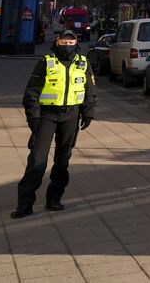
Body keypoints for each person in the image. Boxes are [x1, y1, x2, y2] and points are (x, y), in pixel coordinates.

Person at [12, 29, 96, 218]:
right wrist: (33, 117)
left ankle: (54, 199)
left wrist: (88, 111)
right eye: (64, 43)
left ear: (76, 44)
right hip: (47, 115)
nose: (67, 46)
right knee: (37, 159)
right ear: (57, 42)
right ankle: (24, 204)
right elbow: (31, 92)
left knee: (62, 160)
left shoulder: (83, 63)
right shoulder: (46, 62)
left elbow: (89, 89)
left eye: (71, 43)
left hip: (71, 115)